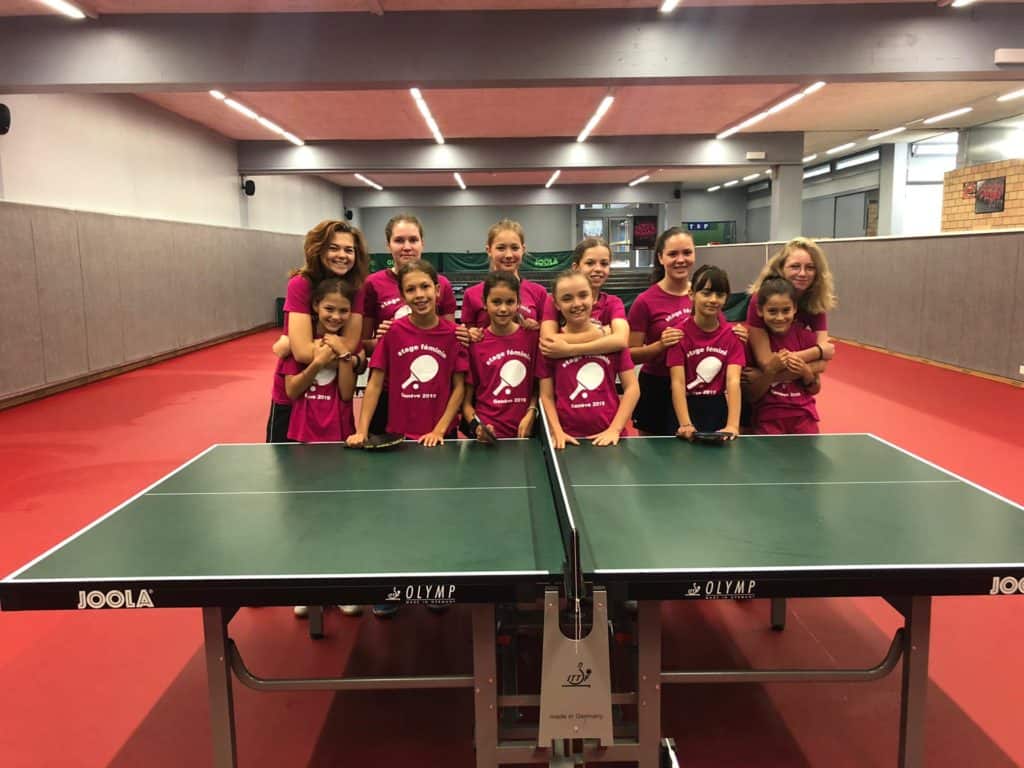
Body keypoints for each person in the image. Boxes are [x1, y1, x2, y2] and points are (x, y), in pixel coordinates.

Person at [347, 259, 468, 448]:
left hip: (441, 435)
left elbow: (459, 387)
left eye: (425, 287)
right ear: (403, 297)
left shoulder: (454, 334)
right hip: (398, 434)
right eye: (411, 289)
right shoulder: (392, 332)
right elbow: (375, 384)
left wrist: (439, 431)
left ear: (437, 290)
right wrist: (362, 430)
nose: (419, 295)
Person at [267, 220, 368, 443]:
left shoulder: (357, 289)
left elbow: (349, 345)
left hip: (333, 397)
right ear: (318, 249)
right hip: (294, 398)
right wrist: (351, 359)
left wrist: (353, 356)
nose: (342, 255)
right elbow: (303, 352)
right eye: (334, 248)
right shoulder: (300, 284)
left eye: (349, 250)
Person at [361, 214, 457, 436]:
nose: (406, 247)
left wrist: (465, 335)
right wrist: (384, 340)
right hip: (389, 391)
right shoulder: (372, 284)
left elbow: (450, 339)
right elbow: (363, 344)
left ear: (422, 243)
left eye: (413, 240)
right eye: (399, 240)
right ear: (388, 245)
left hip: (432, 390)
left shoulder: (442, 284)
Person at [537, 271, 640, 450]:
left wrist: (615, 429)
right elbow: (546, 395)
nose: (577, 303)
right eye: (567, 298)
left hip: (611, 437)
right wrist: (556, 431)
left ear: (593, 298)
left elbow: (632, 388)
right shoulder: (551, 347)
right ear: (557, 304)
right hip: (568, 439)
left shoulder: (612, 342)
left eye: (583, 295)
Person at [626, 227, 697, 436]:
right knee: (652, 451)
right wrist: (660, 345)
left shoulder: (703, 296)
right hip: (657, 387)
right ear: (660, 258)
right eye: (673, 254)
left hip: (696, 386)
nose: (680, 260)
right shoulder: (645, 301)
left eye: (687, 252)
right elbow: (630, 354)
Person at [667, 265, 745, 440]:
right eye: (706, 293)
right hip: (685, 408)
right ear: (692, 294)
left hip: (717, 408)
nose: (713, 300)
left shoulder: (733, 336)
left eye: (720, 295)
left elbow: (733, 380)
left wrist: (733, 425)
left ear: (726, 298)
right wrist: (685, 423)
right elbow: (677, 382)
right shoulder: (678, 335)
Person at [281, 278, 360, 444]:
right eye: (329, 309)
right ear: (316, 305)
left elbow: (346, 394)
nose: (336, 316)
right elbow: (292, 391)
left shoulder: (348, 346)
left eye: (344, 311)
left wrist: (344, 354)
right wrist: (318, 362)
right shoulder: (298, 344)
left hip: (340, 430)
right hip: (303, 432)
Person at [462, 271, 539, 441]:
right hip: (488, 431)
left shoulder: (532, 337)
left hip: (525, 432)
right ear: (484, 303)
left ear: (518, 303)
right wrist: (477, 427)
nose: (503, 309)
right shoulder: (475, 343)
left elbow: (538, 385)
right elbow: (466, 403)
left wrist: (532, 411)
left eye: (510, 302)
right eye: (496, 302)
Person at [742, 277, 822, 434]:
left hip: (804, 416)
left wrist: (806, 372)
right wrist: (770, 371)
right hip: (769, 417)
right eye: (772, 311)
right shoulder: (751, 343)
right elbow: (751, 396)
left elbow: (815, 388)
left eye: (786, 310)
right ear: (760, 310)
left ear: (795, 308)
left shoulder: (807, 338)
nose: (780, 317)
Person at [745, 236, 838, 371]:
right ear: (781, 268)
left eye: (810, 267)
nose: (802, 273)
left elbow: (821, 365)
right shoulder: (760, 298)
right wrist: (817, 352)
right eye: (795, 266)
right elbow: (766, 362)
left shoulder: (815, 302)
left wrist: (764, 377)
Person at [538, 236, 629, 360]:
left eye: (604, 264)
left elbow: (621, 340)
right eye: (590, 263)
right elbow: (547, 340)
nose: (598, 269)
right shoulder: (555, 300)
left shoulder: (613, 303)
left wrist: (569, 350)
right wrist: (600, 333)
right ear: (576, 267)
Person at [459, 219, 550, 342]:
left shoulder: (539, 293)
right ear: (489, 250)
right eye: (501, 248)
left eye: (515, 248)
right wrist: (469, 334)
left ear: (523, 249)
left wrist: (537, 327)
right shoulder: (471, 294)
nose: (508, 255)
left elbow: (548, 334)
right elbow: (465, 334)